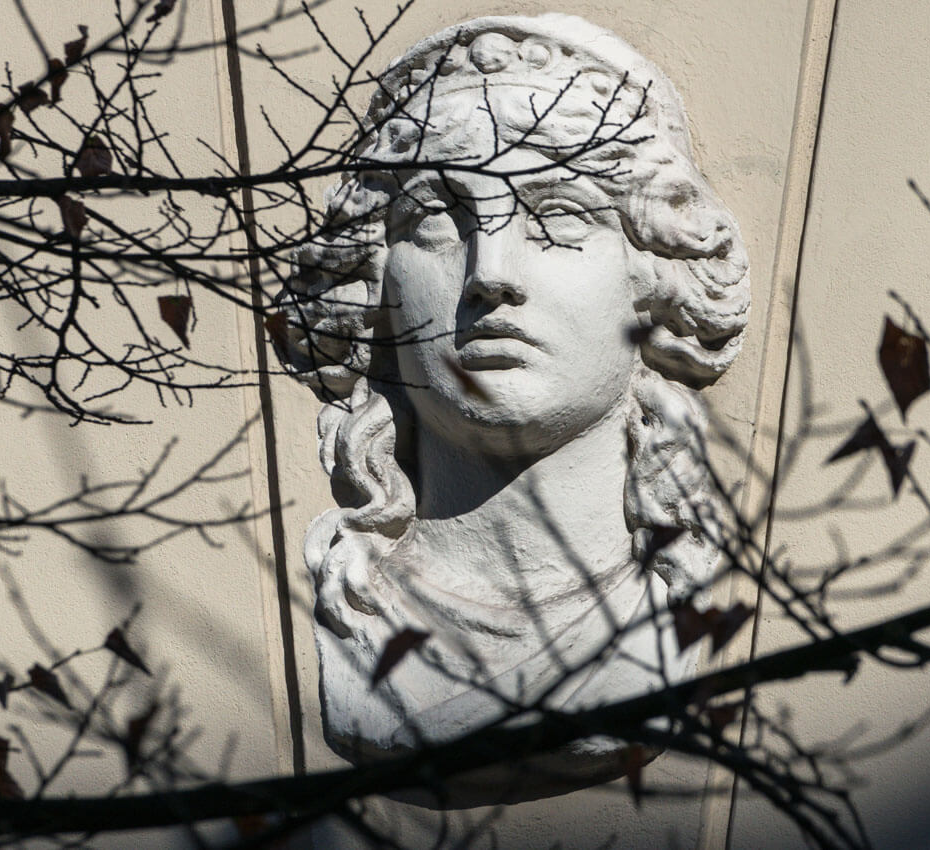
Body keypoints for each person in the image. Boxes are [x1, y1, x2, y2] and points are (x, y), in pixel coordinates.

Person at [277, 13, 752, 805]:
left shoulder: (673, 605)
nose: (490, 274)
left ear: (657, 273)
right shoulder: (346, 604)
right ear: (373, 288)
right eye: (435, 215)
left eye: (558, 214)